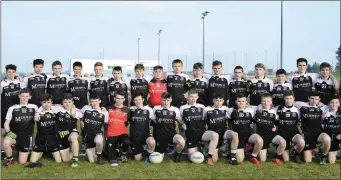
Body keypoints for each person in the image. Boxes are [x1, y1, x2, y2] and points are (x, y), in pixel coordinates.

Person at [180, 89, 218, 165]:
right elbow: (180, 119)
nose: (193, 98)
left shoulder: (202, 107)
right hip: (191, 135)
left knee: (215, 135)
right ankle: (201, 147)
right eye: (191, 96)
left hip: (202, 133)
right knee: (192, 158)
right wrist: (182, 124)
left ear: (197, 97)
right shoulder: (182, 108)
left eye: (195, 97)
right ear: (188, 97)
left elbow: (206, 118)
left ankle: (209, 157)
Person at [2, 88, 38, 166]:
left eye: (26, 96)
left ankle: (18, 147)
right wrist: (9, 132)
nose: (24, 98)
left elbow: (43, 109)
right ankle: (10, 159)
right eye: (22, 96)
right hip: (15, 134)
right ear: (19, 96)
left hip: (27, 136)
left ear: (30, 97)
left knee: (22, 162)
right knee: (5, 143)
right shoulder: (12, 108)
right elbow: (6, 123)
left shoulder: (34, 107)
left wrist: (37, 115)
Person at [224, 93, 263, 165]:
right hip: (237, 137)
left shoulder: (251, 110)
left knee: (260, 141)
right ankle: (236, 152)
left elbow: (262, 110)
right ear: (236, 101)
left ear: (246, 102)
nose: (241, 103)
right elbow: (224, 121)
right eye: (239, 101)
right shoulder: (230, 110)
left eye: (243, 101)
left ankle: (253, 156)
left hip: (248, 135)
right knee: (239, 160)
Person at [294, 91, 330, 164]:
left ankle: (323, 156)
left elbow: (333, 105)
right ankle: (297, 149)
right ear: (308, 98)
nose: (314, 101)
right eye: (312, 98)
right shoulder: (302, 105)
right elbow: (290, 101)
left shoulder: (323, 107)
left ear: (319, 99)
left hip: (318, 133)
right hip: (307, 134)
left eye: (316, 99)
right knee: (308, 160)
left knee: (327, 139)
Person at [151, 92, 186, 163]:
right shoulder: (156, 108)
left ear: (171, 100)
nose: (166, 102)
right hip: (160, 136)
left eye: (168, 100)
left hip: (171, 134)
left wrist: (184, 126)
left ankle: (176, 154)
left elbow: (180, 121)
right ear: (161, 100)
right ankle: (166, 147)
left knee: (181, 141)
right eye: (164, 100)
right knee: (159, 159)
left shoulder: (175, 109)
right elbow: (154, 120)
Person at [253, 93, 287, 165]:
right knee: (262, 160)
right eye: (264, 101)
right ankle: (255, 149)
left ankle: (277, 157)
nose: (266, 103)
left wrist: (275, 127)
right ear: (261, 101)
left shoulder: (274, 112)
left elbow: (277, 122)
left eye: (268, 101)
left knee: (283, 142)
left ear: (271, 102)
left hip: (271, 134)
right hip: (261, 136)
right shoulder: (256, 110)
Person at [51, 93, 83, 167]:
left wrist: (73, 108)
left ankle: (75, 159)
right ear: (62, 102)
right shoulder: (57, 108)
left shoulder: (78, 111)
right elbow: (45, 106)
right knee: (65, 159)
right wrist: (37, 113)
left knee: (74, 138)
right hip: (61, 134)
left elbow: (74, 115)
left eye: (69, 102)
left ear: (73, 102)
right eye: (65, 102)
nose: (67, 104)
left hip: (71, 132)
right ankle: (75, 151)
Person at [30, 94, 62, 164]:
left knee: (58, 161)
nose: (46, 104)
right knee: (32, 161)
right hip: (40, 140)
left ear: (51, 103)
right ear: (41, 103)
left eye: (48, 102)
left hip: (52, 140)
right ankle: (43, 151)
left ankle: (49, 151)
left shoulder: (55, 111)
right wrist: (37, 113)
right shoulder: (37, 112)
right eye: (44, 102)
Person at [276, 91, 305, 163]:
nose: (288, 100)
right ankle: (283, 148)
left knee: (301, 142)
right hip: (282, 133)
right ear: (283, 99)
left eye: (290, 98)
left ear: (293, 99)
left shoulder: (297, 110)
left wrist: (300, 130)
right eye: (286, 98)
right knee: (286, 160)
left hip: (293, 133)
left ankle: (296, 153)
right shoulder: (278, 108)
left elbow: (299, 122)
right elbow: (274, 120)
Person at [80, 95, 108, 164]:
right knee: (92, 161)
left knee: (98, 141)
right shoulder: (86, 108)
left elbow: (106, 124)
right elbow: (79, 113)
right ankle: (92, 151)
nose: (94, 103)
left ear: (100, 101)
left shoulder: (104, 112)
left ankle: (99, 155)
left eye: (96, 101)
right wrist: (81, 121)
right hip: (88, 136)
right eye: (92, 101)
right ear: (90, 102)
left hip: (97, 134)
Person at [129, 91, 155, 163]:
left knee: (152, 142)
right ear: (133, 101)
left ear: (143, 99)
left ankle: (148, 152)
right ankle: (142, 148)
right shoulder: (130, 109)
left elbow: (154, 120)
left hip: (145, 135)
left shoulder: (149, 109)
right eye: (136, 100)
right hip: (134, 137)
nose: (138, 101)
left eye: (139, 99)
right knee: (138, 159)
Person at [1, 64, 21, 158]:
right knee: (2, 131)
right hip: (4, 111)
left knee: (16, 130)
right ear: (6, 72)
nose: (11, 73)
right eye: (9, 72)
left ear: (15, 73)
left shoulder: (20, 82)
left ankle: (15, 145)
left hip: (16, 111)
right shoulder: (2, 83)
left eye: (13, 72)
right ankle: (2, 150)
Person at [106, 90, 131, 166]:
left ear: (124, 99)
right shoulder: (108, 108)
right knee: (113, 161)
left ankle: (123, 153)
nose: (119, 100)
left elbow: (127, 123)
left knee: (127, 142)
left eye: (121, 98)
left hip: (122, 133)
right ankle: (115, 149)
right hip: (111, 134)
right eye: (118, 98)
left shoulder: (127, 110)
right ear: (114, 98)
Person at [322, 96, 340, 164]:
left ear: (339, 104)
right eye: (332, 102)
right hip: (330, 138)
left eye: (336, 102)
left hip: (339, 136)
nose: (334, 104)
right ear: (328, 104)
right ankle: (324, 151)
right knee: (331, 162)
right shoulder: (324, 114)